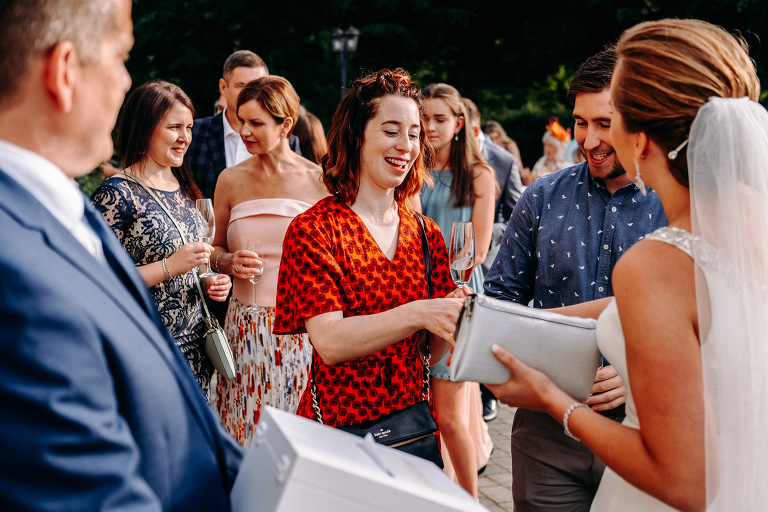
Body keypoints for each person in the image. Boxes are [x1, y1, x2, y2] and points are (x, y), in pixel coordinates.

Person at [488, 19, 768, 511]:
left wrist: (554, 398)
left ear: (638, 138)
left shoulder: (656, 262)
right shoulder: (751, 222)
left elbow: (686, 484)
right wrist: (518, 325)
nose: (596, 137)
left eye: (611, 118)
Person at [0, 0, 243, 510]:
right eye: (119, 56)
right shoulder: (14, 270)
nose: (123, 81)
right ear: (64, 72)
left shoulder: (64, 208)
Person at [483, 48, 667, 512]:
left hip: (648, 430)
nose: (588, 139)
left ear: (637, 119)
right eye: (580, 123)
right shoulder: (541, 196)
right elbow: (501, 303)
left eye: (604, 123)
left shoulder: (674, 204)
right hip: (547, 434)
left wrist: (638, 376)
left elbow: (701, 319)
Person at [273, 68, 468, 459]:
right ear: (356, 135)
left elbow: (434, 352)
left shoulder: (425, 233)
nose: (406, 146)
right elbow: (329, 342)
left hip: (413, 430)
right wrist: (418, 312)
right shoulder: (314, 229)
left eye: (414, 133)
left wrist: (458, 318)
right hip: (341, 434)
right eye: (391, 130)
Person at [92, 81, 232, 397]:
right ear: (145, 130)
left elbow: (192, 265)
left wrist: (209, 281)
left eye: (188, 128)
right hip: (149, 351)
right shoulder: (116, 194)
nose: (185, 138)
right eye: (174, 128)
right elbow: (99, 280)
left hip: (197, 353)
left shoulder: (183, 189)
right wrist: (170, 266)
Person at [211, 76, 328, 446]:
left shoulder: (321, 180)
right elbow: (211, 249)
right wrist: (227, 261)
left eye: (256, 123)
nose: (244, 130)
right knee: (241, 432)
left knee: (295, 440)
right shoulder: (229, 180)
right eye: (241, 120)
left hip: (301, 332)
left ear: (286, 125)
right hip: (242, 328)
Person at [420, 83, 496, 497]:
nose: (430, 126)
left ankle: (471, 500)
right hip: (413, 295)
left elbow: (478, 249)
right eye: (424, 118)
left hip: (458, 296)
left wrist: (444, 284)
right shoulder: (411, 168)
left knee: (450, 415)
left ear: (459, 123)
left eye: (439, 118)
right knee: (421, 411)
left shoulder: (479, 175)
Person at [185, 50, 301, 201]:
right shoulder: (195, 133)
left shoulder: (288, 141)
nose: (252, 93)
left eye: (259, 85)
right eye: (242, 85)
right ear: (223, 88)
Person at [483, 119, 528, 184]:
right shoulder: (485, 149)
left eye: (496, 137)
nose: (494, 142)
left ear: (501, 135)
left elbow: (518, 166)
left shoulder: (509, 145)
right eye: (490, 139)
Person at [528, 117, 573, 181]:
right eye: (545, 145)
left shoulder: (568, 165)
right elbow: (529, 183)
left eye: (550, 146)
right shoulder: (542, 161)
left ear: (559, 148)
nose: (546, 148)